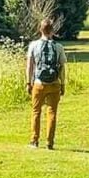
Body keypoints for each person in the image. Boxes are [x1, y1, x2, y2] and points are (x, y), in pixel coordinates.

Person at [26, 19, 67, 150]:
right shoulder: (58, 47)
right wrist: (63, 84)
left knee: (36, 111)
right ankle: (49, 142)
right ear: (52, 31)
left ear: (40, 30)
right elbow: (62, 67)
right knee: (52, 112)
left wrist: (28, 82)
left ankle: (34, 141)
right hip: (54, 83)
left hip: (39, 83)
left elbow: (29, 67)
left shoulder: (33, 45)